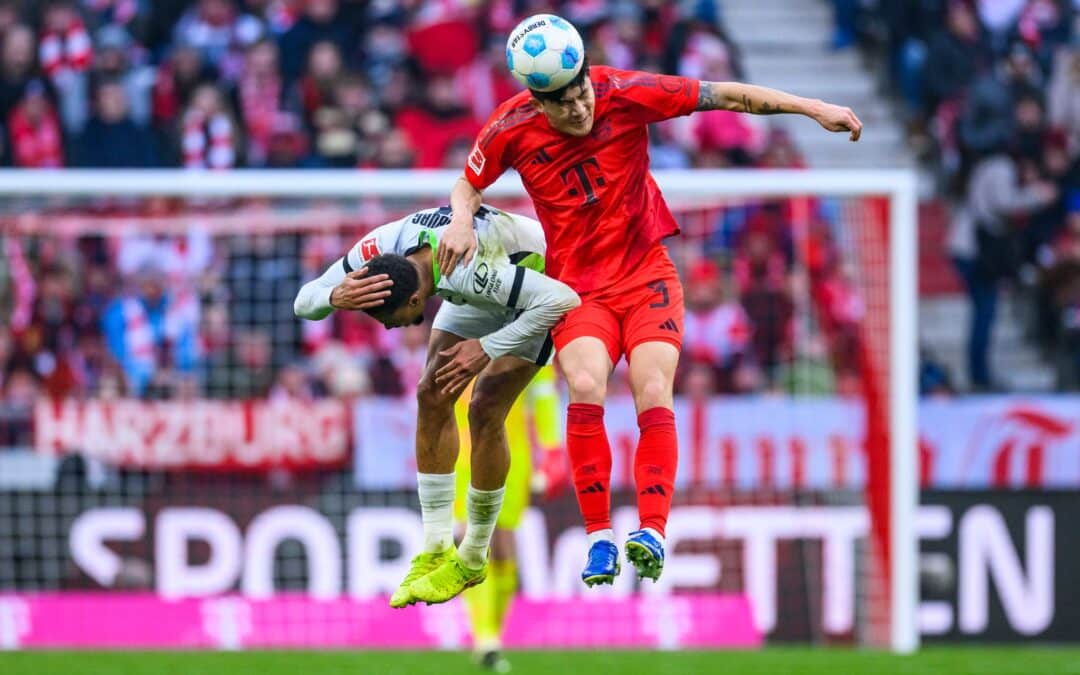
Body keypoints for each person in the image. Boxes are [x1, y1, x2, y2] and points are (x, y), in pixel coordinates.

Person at [436, 14, 861, 586]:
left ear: (587, 71)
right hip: (578, 287)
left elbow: (727, 96)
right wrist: (461, 219)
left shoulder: (625, 92)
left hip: (646, 275)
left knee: (652, 387)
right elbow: (469, 180)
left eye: (581, 88)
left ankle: (653, 533)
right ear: (538, 100)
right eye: (561, 102)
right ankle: (598, 541)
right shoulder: (510, 126)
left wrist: (813, 107)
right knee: (586, 385)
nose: (579, 107)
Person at [294, 205, 579, 606]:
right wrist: (332, 295)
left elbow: (564, 300)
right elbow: (303, 303)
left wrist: (487, 347)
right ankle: (436, 547)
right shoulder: (383, 244)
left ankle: (473, 556)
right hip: (470, 286)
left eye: (391, 319)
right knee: (431, 393)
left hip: (537, 288)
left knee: (485, 408)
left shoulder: (475, 272)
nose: (390, 329)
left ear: (414, 299)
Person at [453, 365, 564, 673]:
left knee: (503, 547)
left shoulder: (533, 338)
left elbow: (543, 396)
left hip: (514, 458)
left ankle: (490, 634)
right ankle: (485, 637)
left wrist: (552, 449)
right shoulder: (461, 332)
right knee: (476, 539)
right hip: (466, 455)